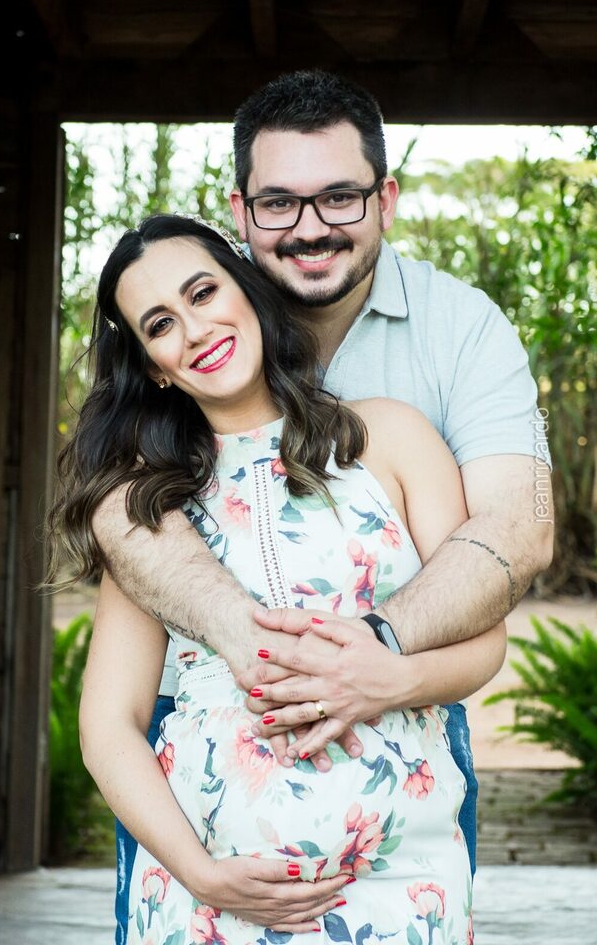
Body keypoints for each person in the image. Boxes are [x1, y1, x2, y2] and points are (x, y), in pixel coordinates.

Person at [88, 71, 553, 939]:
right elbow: (108, 711)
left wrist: (381, 665)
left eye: (338, 196)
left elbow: (515, 535)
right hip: (202, 860)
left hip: (393, 841)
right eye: (279, 203)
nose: (309, 226)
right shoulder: (155, 482)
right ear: (242, 217)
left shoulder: (446, 354)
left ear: (385, 198)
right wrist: (198, 872)